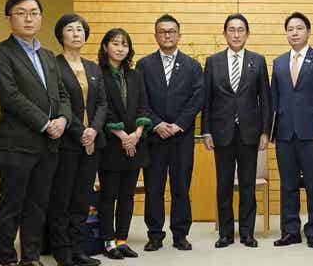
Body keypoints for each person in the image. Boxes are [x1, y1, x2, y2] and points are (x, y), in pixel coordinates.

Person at [0, 0, 71, 266]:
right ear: (9, 18)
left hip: (48, 146)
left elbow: (62, 95)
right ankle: (6, 258)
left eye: (34, 13)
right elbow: (11, 97)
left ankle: (31, 257)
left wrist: (63, 120)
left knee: (37, 204)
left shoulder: (48, 56)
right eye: (21, 13)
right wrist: (46, 123)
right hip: (15, 144)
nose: (28, 18)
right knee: (13, 205)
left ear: (41, 18)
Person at [202, 13, 272, 248]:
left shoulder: (258, 61)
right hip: (221, 133)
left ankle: (247, 233)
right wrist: (206, 131)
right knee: (223, 186)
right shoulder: (213, 61)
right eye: (231, 30)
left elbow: (266, 100)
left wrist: (265, 132)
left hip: (250, 133)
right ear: (225, 34)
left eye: (240, 29)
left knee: (247, 186)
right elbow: (207, 100)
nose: (236, 34)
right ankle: (225, 234)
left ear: (247, 34)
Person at [137, 14, 203, 252]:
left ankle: (180, 234)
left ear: (179, 35)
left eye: (171, 31)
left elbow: (198, 98)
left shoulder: (192, 65)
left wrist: (178, 124)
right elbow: (140, 99)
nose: (167, 35)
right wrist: (157, 124)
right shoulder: (144, 65)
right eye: (162, 31)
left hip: (181, 138)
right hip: (154, 138)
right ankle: (155, 234)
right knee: (154, 187)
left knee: (180, 188)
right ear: (155, 36)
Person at [270, 12, 313, 248]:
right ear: (286, 33)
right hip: (285, 133)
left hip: (312, 132)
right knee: (287, 184)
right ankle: (290, 231)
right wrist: (271, 130)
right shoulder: (278, 62)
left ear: (308, 31)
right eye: (290, 29)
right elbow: (273, 100)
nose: (294, 32)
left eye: (299, 28)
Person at [48, 14, 107, 266]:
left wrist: (93, 129)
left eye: (80, 30)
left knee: (82, 199)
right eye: (70, 30)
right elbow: (55, 102)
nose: (76, 34)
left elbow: (103, 103)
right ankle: (62, 252)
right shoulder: (53, 65)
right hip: (67, 142)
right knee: (62, 198)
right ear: (61, 35)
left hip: (91, 142)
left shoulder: (93, 67)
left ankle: (78, 249)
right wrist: (80, 130)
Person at [97, 28, 151, 260]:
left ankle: (121, 240)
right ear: (106, 46)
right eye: (115, 43)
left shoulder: (135, 75)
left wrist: (137, 134)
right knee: (109, 195)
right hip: (111, 144)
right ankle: (108, 242)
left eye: (124, 44)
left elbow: (143, 105)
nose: (120, 48)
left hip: (135, 143)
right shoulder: (98, 73)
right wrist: (122, 136)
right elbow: (102, 108)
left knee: (128, 196)